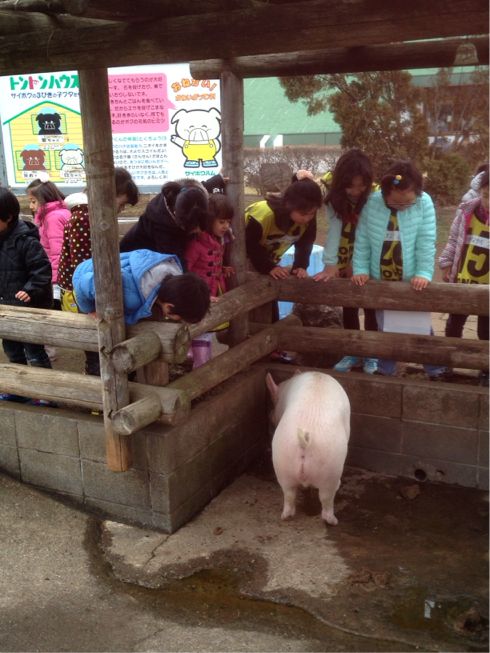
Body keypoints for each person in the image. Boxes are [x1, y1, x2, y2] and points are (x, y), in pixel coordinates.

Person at [352, 160, 446, 379]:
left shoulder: (423, 203)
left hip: (412, 280)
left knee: (421, 327)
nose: (402, 206)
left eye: (407, 203)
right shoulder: (372, 202)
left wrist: (423, 273)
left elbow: (426, 241)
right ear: (385, 193)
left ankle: (435, 369)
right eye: (395, 203)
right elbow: (363, 239)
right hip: (381, 278)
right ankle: (386, 369)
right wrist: (360, 268)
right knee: (386, 326)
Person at [57, 168, 139, 375]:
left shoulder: (93, 216)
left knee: (100, 344)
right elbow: (82, 267)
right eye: (121, 204)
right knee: (96, 345)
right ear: (107, 194)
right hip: (84, 292)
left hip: (92, 288)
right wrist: (91, 302)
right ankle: (97, 384)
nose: (121, 210)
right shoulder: (83, 219)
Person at [313, 149, 378, 374]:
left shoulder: (375, 196)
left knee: (370, 305)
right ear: (341, 183)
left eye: (361, 186)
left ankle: (371, 352)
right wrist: (332, 264)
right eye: (351, 186)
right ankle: (352, 351)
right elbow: (334, 229)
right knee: (349, 304)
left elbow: (369, 233)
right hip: (343, 252)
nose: (356, 192)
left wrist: (359, 265)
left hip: (367, 255)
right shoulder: (332, 194)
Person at [0, 188, 54, 405]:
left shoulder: (26, 241)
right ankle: (19, 390)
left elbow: (42, 270)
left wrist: (30, 289)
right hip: (7, 308)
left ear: (8, 217)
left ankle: (47, 394)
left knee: (35, 352)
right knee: (13, 351)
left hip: (29, 307)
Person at [439, 170, 489, 385]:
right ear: (480, 192)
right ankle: (448, 362)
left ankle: (485, 367)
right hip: (464, 281)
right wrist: (446, 263)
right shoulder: (467, 212)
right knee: (454, 324)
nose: (489, 202)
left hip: (487, 288)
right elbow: (453, 239)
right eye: (486, 195)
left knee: (486, 330)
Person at [72, 249, 210, 326]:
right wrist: (90, 310)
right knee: (97, 337)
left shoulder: (171, 277)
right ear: (168, 307)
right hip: (85, 279)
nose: (179, 321)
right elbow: (85, 282)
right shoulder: (130, 293)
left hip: (107, 276)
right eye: (179, 318)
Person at [184, 194, 234, 367]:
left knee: (207, 328)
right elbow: (186, 269)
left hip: (214, 288)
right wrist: (198, 294)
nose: (226, 226)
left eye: (228, 222)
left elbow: (213, 261)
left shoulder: (219, 240)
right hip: (199, 292)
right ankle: (201, 364)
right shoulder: (197, 243)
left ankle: (195, 358)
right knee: (202, 327)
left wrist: (222, 267)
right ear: (209, 220)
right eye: (222, 222)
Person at [245, 177, 323, 279]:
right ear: (289, 205)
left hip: (267, 257)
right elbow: (251, 245)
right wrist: (269, 267)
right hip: (240, 259)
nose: (307, 219)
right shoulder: (264, 215)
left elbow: (305, 244)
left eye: (312, 214)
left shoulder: (307, 218)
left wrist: (300, 266)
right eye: (303, 214)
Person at [119, 178, 209, 265]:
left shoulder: (192, 199)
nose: (198, 231)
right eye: (193, 228)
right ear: (176, 216)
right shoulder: (161, 227)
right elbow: (175, 265)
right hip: (134, 263)